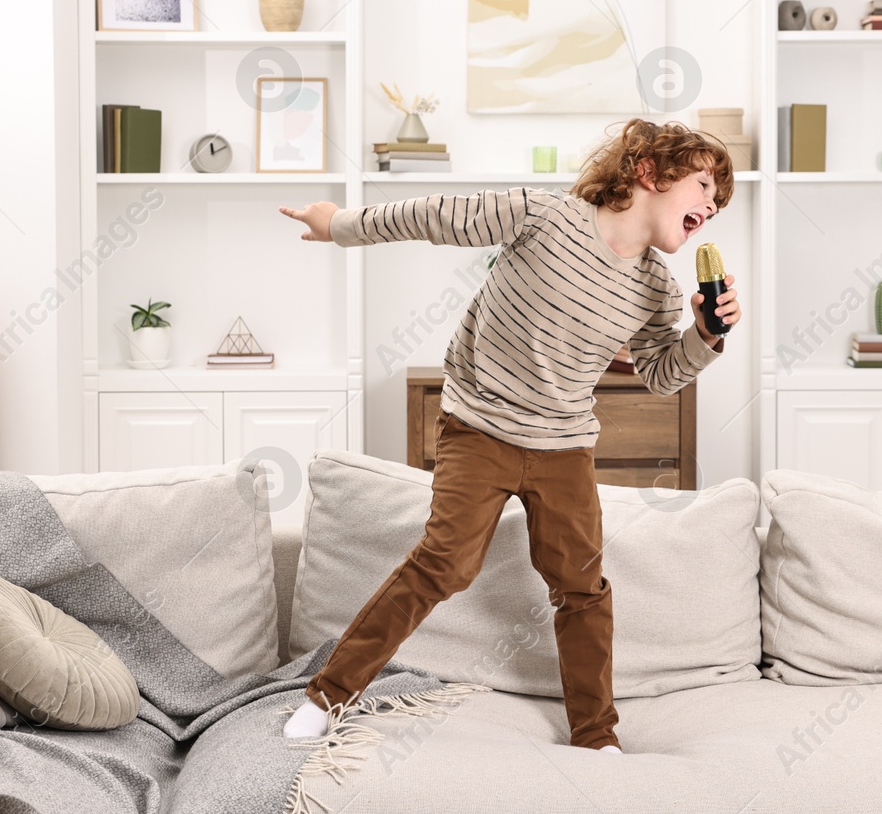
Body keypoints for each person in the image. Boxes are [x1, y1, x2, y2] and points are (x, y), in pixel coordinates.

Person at [275, 118, 740, 754]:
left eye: (719, 203)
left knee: (582, 589)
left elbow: (661, 373)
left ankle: (596, 735)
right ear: (648, 173)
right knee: (445, 563)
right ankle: (327, 695)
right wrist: (340, 225)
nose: (712, 207)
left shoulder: (657, 288)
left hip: (565, 447)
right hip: (479, 428)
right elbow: (435, 215)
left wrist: (706, 334)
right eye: (704, 186)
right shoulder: (544, 218)